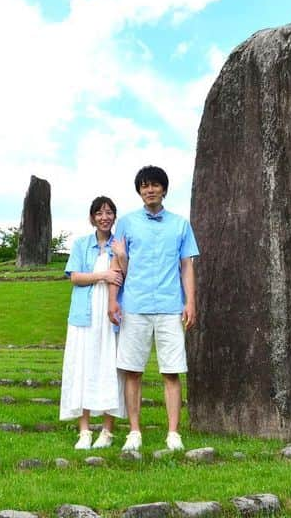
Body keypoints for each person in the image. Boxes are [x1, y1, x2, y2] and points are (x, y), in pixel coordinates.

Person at [108, 165, 198, 453]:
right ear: (139, 191)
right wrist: (113, 299)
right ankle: (134, 431)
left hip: (170, 305)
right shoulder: (126, 223)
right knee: (133, 371)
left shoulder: (180, 224)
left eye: (155, 185)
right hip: (134, 304)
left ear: (164, 189)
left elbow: (186, 266)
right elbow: (116, 263)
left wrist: (191, 301)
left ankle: (173, 433)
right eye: (144, 186)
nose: (150, 190)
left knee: (171, 371)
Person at [59, 196, 127, 449]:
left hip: (110, 314)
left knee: (109, 367)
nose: (104, 217)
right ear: (92, 218)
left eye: (109, 212)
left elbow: (124, 275)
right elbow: (75, 277)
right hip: (84, 314)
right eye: (99, 213)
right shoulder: (81, 244)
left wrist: (119, 259)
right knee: (82, 366)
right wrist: (102, 275)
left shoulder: (119, 245)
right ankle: (84, 430)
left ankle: (107, 431)